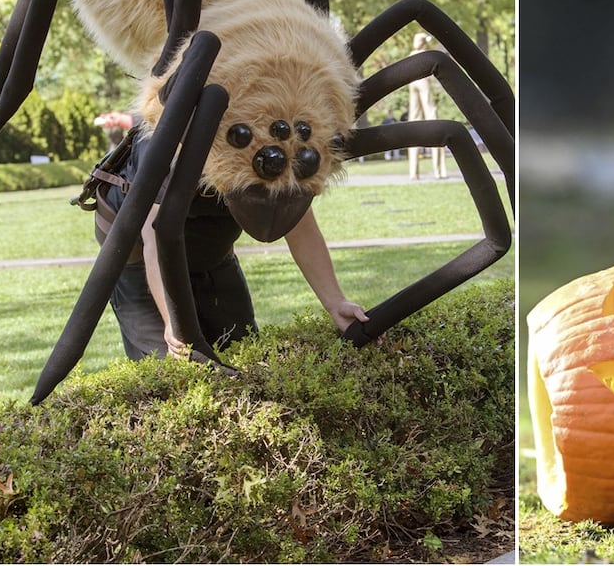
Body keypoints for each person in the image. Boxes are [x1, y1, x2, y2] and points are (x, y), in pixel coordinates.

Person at [98, 125, 368, 361]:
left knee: (242, 349)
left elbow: (300, 228)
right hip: (138, 252)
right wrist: (172, 322)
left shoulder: (280, 135)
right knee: (171, 363)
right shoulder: (171, 141)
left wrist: (335, 302)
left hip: (212, 249)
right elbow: (154, 236)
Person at [406, 32, 448, 180]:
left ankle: (413, 172)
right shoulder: (426, 54)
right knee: (432, 119)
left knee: (414, 123)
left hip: (412, 84)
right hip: (422, 84)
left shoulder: (412, 54)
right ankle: (439, 171)